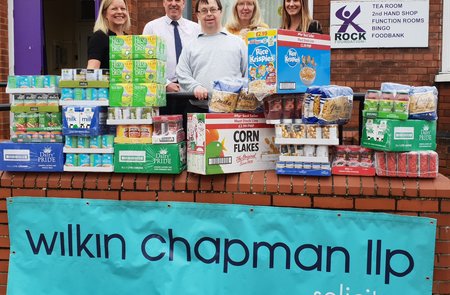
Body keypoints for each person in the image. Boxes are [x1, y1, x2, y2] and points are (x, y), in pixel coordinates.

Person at [176, 0, 247, 112]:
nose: (209, 14)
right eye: (204, 10)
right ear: (198, 15)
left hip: (231, 111)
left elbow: (247, 72)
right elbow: (182, 73)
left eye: (213, 9)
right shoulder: (190, 46)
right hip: (198, 109)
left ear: (220, 12)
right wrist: (195, 87)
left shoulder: (238, 43)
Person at [142, 0, 201, 93]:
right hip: (163, 92)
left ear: (184, 4)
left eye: (177, 0)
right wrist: (165, 84)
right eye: (169, 0)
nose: (173, 4)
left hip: (191, 91)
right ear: (163, 3)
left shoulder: (196, 29)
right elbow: (145, 62)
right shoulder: (151, 28)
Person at [87, 0, 131, 69]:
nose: (120, 12)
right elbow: (92, 70)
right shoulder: (99, 37)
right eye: (114, 9)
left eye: (123, 9)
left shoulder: (129, 39)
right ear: (104, 13)